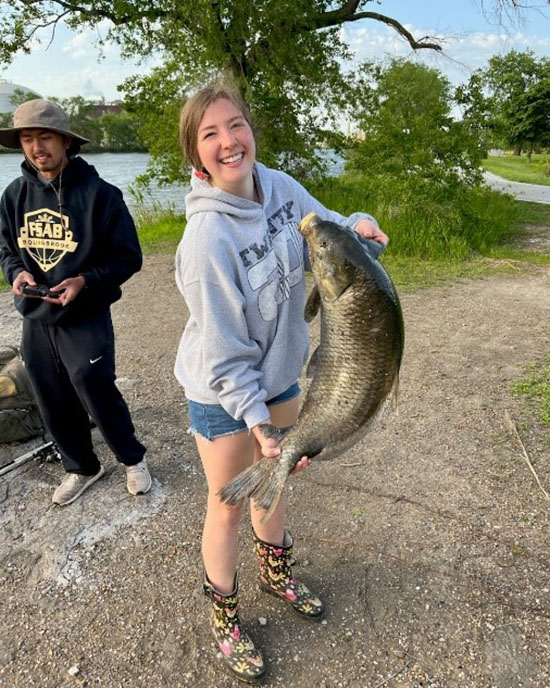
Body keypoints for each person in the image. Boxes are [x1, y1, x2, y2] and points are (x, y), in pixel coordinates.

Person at [175, 82, 388, 683]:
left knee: (277, 485)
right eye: (210, 133)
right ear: (195, 154)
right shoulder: (207, 240)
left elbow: (330, 226)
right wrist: (256, 422)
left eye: (235, 125)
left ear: (251, 130)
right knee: (228, 505)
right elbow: (223, 357)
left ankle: (276, 572)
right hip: (223, 394)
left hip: (280, 379)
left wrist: (362, 222)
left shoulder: (280, 186)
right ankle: (225, 612)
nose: (228, 141)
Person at [0, 99, 151, 506]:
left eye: (44, 136)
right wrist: (18, 274)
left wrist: (86, 280)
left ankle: (133, 459)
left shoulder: (101, 195)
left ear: (66, 140)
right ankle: (82, 466)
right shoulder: (14, 195)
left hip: (84, 313)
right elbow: (6, 250)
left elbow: (128, 257)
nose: (36, 147)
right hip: (37, 316)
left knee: (93, 383)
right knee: (49, 392)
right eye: (27, 139)